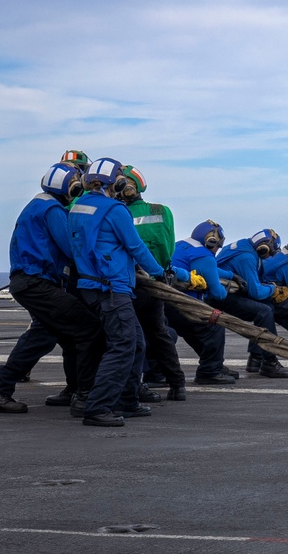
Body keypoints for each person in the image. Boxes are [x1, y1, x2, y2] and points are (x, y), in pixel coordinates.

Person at [68, 157, 190, 426]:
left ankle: (127, 398)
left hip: (89, 285)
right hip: (111, 288)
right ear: (119, 182)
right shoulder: (115, 210)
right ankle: (98, 407)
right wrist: (159, 273)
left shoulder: (79, 207)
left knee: (136, 342)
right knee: (123, 345)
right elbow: (136, 248)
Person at [0, 163, 102, 415]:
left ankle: (3, 390)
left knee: (50, 336)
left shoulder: (36, 205)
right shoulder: (52, 209)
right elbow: (71, 250)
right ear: (70, 185)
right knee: (87, 327)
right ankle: (84, 394)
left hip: (28, 282)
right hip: (38, 283)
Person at [118, 165, 188, 401]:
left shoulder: (117, 213)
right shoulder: (162, 211)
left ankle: (133, 386)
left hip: (129, 283)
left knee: (129, 336)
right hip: (157, 282)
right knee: (158, 334)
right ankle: (177, 384)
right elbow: (169, 248)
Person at [215, 229, 288, 377]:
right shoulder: (247, 257)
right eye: (270, 253)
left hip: (224, 291)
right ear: (265, 247)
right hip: (221, 296)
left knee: (267, 308)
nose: (268, 257)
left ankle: (256, 359)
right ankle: (269, 363)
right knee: (264, 311)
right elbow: (255, 292)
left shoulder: (244, 245)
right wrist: (273, 289)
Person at [167, 220, 237, 385]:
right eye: (217, 245)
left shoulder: (181, 245)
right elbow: (218, 294)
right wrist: (226, 286)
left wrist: (231, 275)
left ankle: (214, 363)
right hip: (183, 305)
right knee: (214, 325)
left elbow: (207, 268)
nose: (217, 249)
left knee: (193, 332)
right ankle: (210, 371)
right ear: (211, 241)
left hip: (166, 304)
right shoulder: (203, 255)